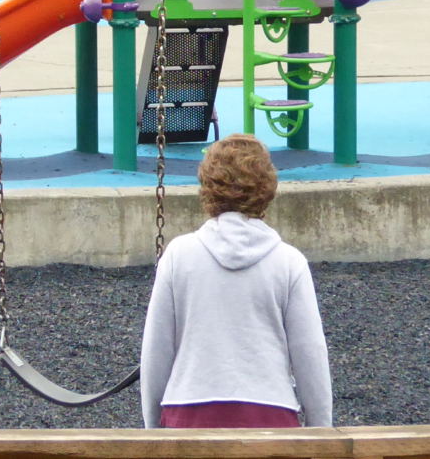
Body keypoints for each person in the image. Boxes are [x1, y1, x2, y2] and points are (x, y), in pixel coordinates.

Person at [140, 133, 331, 429]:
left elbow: (156, 350)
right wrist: (321, 431)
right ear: (267, 188)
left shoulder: (179, 255)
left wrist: (152, 427)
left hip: (188, 411)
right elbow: (310, 354)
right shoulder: (288, 261)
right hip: (270, 411)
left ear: (207, 186)